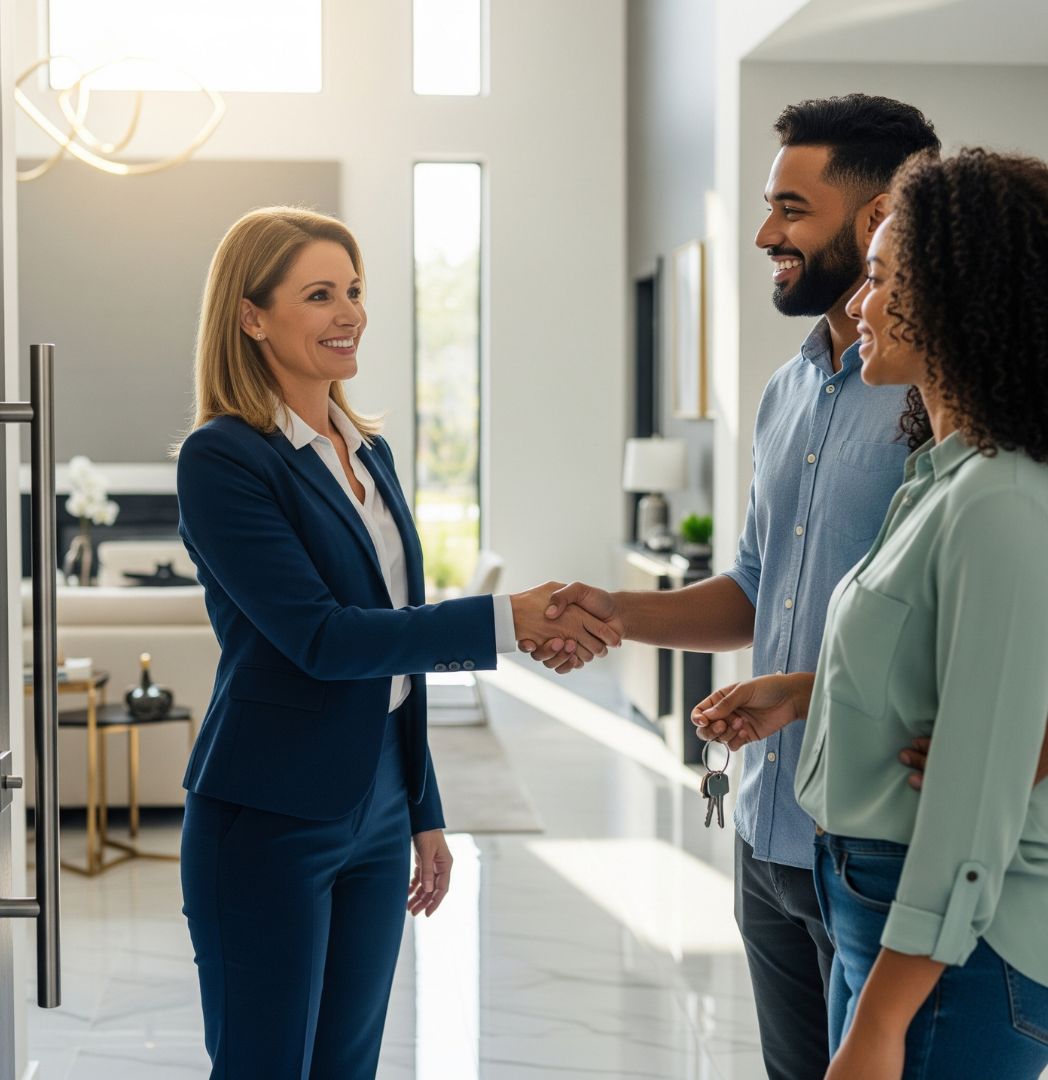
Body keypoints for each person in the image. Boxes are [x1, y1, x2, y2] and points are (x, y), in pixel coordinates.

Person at [523, 94, 940, 1079]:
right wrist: (613, 613)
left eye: (792, 209)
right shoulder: (785, 391)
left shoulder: (946, 397)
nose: (766, 234)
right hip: (767, 838)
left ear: (881, 215)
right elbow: (756, 594)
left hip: (881, 844)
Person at [175, 206, 621, 1080]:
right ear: (251, 315)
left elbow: (395, 662)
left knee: (351, 1063)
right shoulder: (223, 459)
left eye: (353, 291)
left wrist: (420, 807)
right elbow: (323, 638)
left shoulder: (363, 449)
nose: (349, 313)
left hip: (376, 801)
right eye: (318, 295)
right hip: (267, 815)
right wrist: (504, 620)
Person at [691, 148, 1048, 1079]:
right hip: (882, 912)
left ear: (961, 299)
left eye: (885, 279)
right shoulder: (940, 477)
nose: (859, 303)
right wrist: (812, 693)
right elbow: (935, 664)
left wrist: (884, 1018)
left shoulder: (999, 501)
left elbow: (970, 807)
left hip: (949, 951)